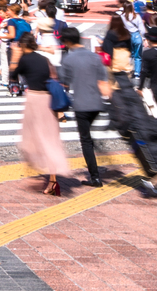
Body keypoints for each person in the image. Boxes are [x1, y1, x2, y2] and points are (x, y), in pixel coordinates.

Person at [13, 34, 69, 196]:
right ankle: (53, 181)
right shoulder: (44, 59)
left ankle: (41, 173)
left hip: (35, 100)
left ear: (23, 46)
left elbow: (13, 76)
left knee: (30, 140)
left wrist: (15, 58)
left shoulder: (25, 59)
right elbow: (54, 79)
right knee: (50, 140)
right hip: (48, 100)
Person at [55, 27, 111, 186]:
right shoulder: (95, 57)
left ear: (66, 42)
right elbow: (103, 83)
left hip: (81, 105)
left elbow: (64, 81)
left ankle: (95, 177)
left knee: (85, 140)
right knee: (89, 138)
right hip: (97, 103)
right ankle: (95, 166)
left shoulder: (69, 59)